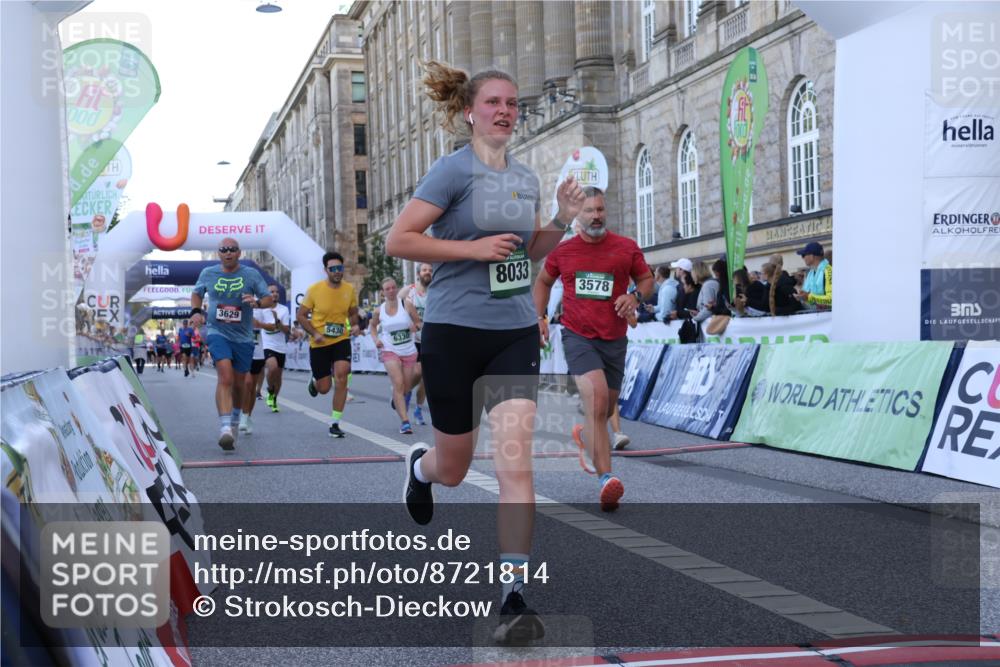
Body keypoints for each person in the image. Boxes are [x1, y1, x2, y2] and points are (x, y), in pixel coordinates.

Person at [386, 60, 585, 645]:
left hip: (514, 330)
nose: (505, 111)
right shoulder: (452, 170)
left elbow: (526, 252)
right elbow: (400, 239)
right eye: (494, 102)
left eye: (512, 103)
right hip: (452, 331)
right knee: (453, 469)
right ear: (471, 111)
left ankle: (512, 597)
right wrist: (472, 250)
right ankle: (418, 469)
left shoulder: (525, 177)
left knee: (514, 465)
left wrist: (561, 221)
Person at [532, 187, 653, 511]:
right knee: (598, 400)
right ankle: (606, 479)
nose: (596, 215)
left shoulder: (625, 248)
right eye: (589, 211)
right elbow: (542, 282)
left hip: (614, 339)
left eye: (600, 209)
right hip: (578, 337)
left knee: (605, 408)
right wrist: (540, 317)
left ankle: (586, 435)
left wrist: (635, 297)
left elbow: (646, 280)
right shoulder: (564, 252)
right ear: (578, 216)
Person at [189, 238, 273, 450]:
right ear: (219, 253)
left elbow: (267, 298)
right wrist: (196, 312)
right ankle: (225, 427)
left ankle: (235, 419)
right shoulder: (208, 273)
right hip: (218, 331)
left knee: (240, 384)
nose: (228, 253)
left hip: (243, 336)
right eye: (223, 250)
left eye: (232, 250)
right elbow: (197, 293)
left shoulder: (250, 274)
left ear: (239, 253)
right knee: (225, 376)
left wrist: (257, 303)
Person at [297, 251, 361, 438]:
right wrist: (315, 333)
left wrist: (355, 324)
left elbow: (353, 311)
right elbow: (301, 316)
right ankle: (315, 383)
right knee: (324, 388)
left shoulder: (349, 289)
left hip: (341, 339)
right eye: (332, 269)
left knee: (342, 375)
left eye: (339, 268)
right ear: (326, 270)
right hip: (319, 342)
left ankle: (335, 423)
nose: (337, 272)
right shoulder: (315, 290)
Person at [370, 277, 423, 434]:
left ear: (397, 288)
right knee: (398, 383)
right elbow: (372, 327)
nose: (391, 291)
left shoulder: (406, 304)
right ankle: (405, 422)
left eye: (393, 287)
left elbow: (419, 322)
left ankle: (396, 396)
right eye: (388, 289)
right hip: (390, 350)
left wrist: (415, 327)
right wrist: (376, 339)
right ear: (383, 292)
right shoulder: (378, 310)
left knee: (406, 388)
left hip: (409, 350)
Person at [398, 262, 433, 425]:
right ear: (418, 273)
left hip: (430, 339)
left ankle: (418, 409)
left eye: (431, 271)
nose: (428, 273)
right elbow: (393, 309)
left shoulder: (436, 292)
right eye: (425, 270)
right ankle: (404, 392)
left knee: (427, 379)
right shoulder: (408, 291)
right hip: (413, 340)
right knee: (418, 371)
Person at [261, 283, 291, 413]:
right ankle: (269, 389)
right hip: (268, 345)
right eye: (272, 292)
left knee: (278, 377)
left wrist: (277, 322)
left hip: (280, 347)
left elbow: (286, 331)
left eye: (276, 292)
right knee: (272, 367)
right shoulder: (262, 309)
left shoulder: (284, 309)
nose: (275, 294)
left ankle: (273, 398)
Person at [239, 309, 269, 435]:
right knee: (245, 385)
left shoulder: (262, 309)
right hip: (241, 351)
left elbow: (273, 327)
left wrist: (259, 324)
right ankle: (241, 415)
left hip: (257, 353)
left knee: (251, 387)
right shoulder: (237, 306)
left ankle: (247, 417)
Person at [795, 241, 832, 309]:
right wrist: (802, 295)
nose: (802, 258)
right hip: (815, 315)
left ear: (812, 256)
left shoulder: (828, 270)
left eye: (803, 255)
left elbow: (831, 299)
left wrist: (809, 297)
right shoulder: (810, 273)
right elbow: (808, 295)